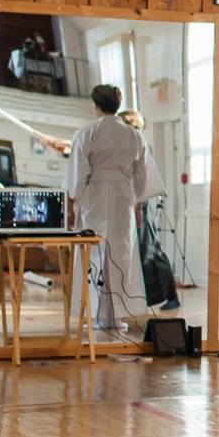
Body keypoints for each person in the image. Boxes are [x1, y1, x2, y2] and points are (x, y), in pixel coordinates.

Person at [67, 84, 165, 330]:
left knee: (95, 251)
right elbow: (142, 175)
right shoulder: (133, 135)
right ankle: (116, 313)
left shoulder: (87, 133)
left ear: (96, 106)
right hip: (123, 195)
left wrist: (72, 202)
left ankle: (96, 311)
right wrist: (139, 205)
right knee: (121, 252)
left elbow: (77, 173)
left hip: (95, 194)